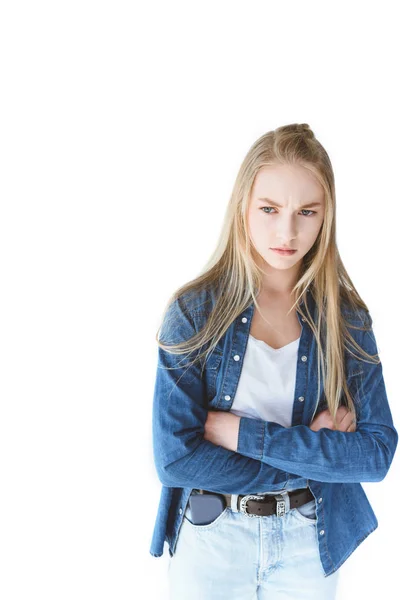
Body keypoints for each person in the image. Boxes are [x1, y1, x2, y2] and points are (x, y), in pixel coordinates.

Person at [149, 123, 398, 599]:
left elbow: (375, 454)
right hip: (212, 538)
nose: (287, 232)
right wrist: (316, 454)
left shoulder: (347, 320)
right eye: (269, 209)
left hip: (309, 538)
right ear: (243, 207)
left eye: (307, 211)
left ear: (326, 216)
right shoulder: (194, 313)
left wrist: (236, 433)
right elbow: (176, 460)